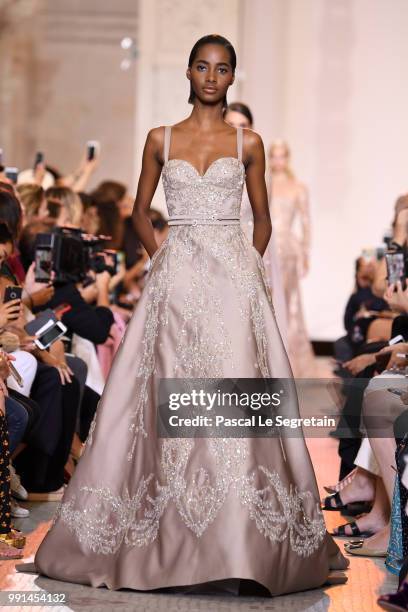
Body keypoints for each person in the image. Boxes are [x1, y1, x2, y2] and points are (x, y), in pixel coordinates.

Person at [33, 34, 347, 596]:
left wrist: (247, 267)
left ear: (232, 77)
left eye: (222, 69)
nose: (211, 77)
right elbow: (137, 212)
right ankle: (169, 536)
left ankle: (242, 539)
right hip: (176, 279)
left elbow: (262, 217)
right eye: (202, 67)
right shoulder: (161, 138)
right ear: (188, 71)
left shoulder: (249, 142)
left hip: (232, 283)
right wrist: (164, 261)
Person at [224, 102, 288, 348]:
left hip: (249, 244)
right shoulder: (207, 158)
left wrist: (252, 257)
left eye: (244, 126)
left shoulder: (257, 164)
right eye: (231, 124)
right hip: (214, 245)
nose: (238, 131)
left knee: (248, 317)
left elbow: (262, 215)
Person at [267, 140, 315, 377]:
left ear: (288, 157)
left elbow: (306, 222)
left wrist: (305, 253)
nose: (278, 160)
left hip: (287, 249)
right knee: (267, 300)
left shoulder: (298, 187)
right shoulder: (263, 183)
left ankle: (290, 363)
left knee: (289, 303)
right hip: (266, 246)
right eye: (274, 156)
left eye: (281, 155)